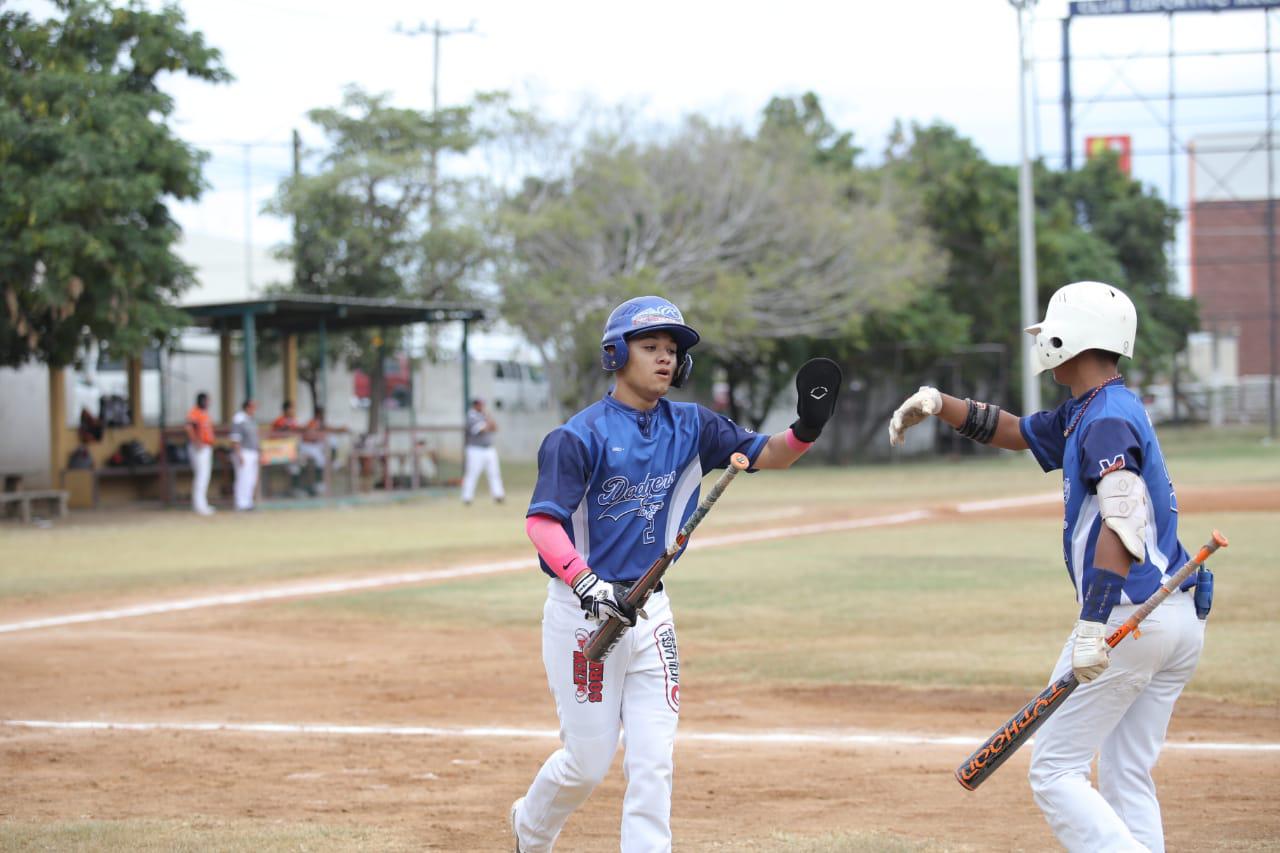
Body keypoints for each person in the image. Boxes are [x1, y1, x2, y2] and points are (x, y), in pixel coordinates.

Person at [509, 295, 843, 853]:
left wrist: (807, 426)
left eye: (672, 351)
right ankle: (530, 829)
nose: (665, 359)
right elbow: (543, 525)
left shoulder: (693, 426)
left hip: (650, 612)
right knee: (587, 765)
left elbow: (768, 454)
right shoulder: (577, 437)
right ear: (616, 354)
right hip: (583, 615)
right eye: (651, 347)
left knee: (652, 763)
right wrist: (588, 584)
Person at [888, 281, 1208, 853]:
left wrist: (1092, 627)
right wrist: (939, 403)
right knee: (1125, 773)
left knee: (1054, 771)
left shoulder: (1105, 419)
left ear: (1071, 337)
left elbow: (1121, 521)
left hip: (1129, 617)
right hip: (1175, 618)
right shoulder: (1097, 407)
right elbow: (1013, 430)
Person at [461, 397, 505, 505]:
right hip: (475, 449)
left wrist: (488, 419)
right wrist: (487, 422)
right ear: (475, 405)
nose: (482, 407)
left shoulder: (484, 415)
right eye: (480, 405)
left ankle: (498, 495)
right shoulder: (471, 416)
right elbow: (481, 430)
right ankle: (467, 497)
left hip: (489, 448)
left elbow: (495, 427)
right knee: (472, 473)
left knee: (494, 473)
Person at [184, 391, 216, 516]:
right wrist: (196, 442)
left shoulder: (204, 413)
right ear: (202, 401)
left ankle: (202, 503)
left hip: (206, 447)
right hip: (198, 448)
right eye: (207, 400)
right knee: (201, 475)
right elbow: (188, 427)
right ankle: (199, 505)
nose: (209, 403)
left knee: (205, 475)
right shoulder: (194, 412)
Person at [229, 399, 261, 511]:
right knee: (243, 478)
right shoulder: (239, 418)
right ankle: (240, 502)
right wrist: (239, 454)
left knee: (251, 478)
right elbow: (235, 438)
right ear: (247, 407)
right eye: (252, 407)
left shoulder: (251, 419)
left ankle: (248, 502)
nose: (254, 409)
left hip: (252, 452)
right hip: (243, 451)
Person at [298, 406, 328, 495]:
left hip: (313, 447)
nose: (322, 416)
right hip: (307, 446)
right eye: (321, 414)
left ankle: (318, 484)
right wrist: (318, 436)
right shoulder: (312, 423)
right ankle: (316, 484)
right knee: (318, 462)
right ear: (317, 414)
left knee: (321, 461)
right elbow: (309, 436)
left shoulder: (319, 423)